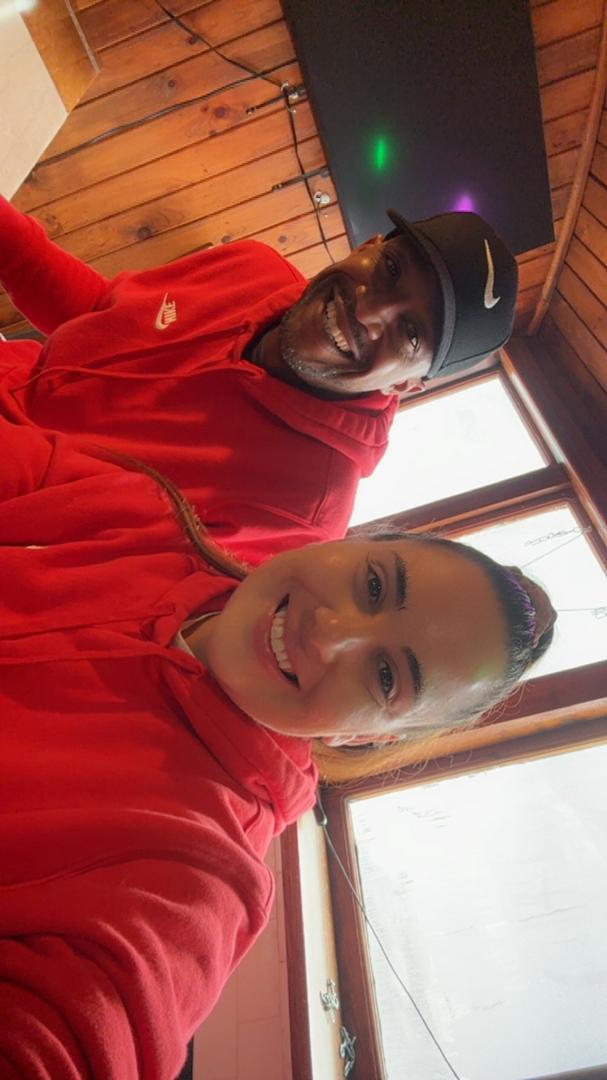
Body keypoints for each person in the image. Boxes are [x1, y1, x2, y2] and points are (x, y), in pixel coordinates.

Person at [0, 415, 554, 1080]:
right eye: (373, 586)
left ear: (365, 736)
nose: (328, 634)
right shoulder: (136, 515)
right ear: (352, 541)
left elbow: (71, 1035)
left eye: (385, 677)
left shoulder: (192, 877)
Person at [0, 196, 518, 563]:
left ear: (407, 386)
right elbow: (100, 309)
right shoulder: (253, 266)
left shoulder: (301, 518)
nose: (367, 310)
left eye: (410, 333)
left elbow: (69, 566)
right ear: (368, 245)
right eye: (390, 270)